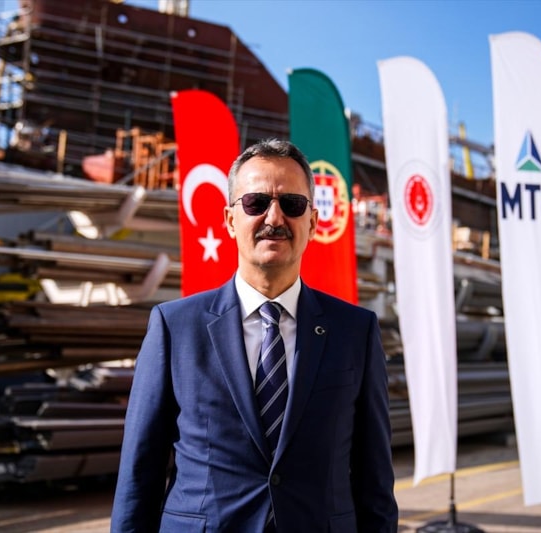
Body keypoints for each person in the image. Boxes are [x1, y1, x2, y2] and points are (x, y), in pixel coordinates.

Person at [110, 138, 398, 532]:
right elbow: (139, 472)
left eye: (292, 204)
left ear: (313, 222)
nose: (274, 218)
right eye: (256, 203)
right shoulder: (175, 327)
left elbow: (374, 479)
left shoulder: (355, 332)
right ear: (230, 220)